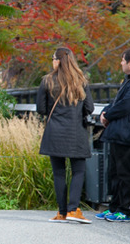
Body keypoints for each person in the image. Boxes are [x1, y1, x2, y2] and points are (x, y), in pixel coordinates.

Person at [36, 46, 94, 223]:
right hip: (75, 133)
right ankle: (73, 210)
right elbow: (89, 108)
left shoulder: (47, 81)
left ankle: (61, 212)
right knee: (78, 171)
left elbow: (41, 109)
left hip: (55, 133)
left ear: (59, 60)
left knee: (59, 173)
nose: (52, 61)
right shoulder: (81, 81)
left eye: (53, 58)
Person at [96, 47, 130, 223]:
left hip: (128, 133)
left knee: (125, 173)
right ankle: (113, 207)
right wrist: (105, 112)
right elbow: (116, 102)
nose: (120, 63)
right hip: (119, 132)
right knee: (115, 172)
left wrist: (108, 115)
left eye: (122, 60)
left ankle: (124, 210)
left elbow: (126, 105)